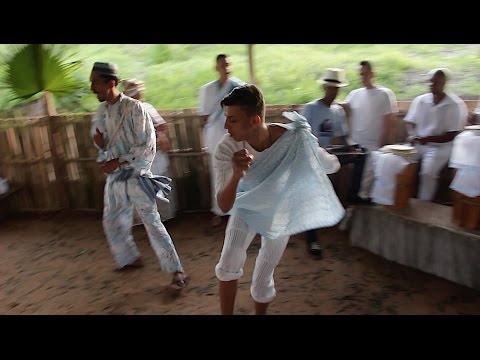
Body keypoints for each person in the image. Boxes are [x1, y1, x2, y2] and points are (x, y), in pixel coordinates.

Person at [213, 84, 345, 315]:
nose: (225, 126)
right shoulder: (226, 148)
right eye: (226, 118)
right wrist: (236, 175)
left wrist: (330, 158)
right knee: (229, 262)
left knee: (264, 274)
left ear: (254, 120)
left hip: (280, 210)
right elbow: (224, 206)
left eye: (232, 120)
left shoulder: (293, 139)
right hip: (246, 207)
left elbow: (328, 164)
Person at [89, 62, 187, 290]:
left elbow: (146, 147)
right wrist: (102, 148)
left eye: (95, 83)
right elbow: (102, 144)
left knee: (152, 223)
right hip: (114, 178)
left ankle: (176, 270)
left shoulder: (136, 109)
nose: (92, 88)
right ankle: (129, 258)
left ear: (110, 83)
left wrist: (118, 161)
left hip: (135, 175)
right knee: (112, 221)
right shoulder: (101, 112)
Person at [301, 68, 364, 256]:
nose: (333, 91)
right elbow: (301, 136)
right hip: (314, 155)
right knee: (314, 193)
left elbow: (343, 136)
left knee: (363, 154)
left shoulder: (337, 111)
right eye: (330, 88)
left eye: (336, 88)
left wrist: (352, 148)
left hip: (331, 153)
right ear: (324, 87)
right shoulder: (311, 108)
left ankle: (353, 195)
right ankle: (312, 239)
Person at [404, 68, 467, 201]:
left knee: (428, 173)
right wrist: (412, 135)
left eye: (436, 82)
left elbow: (451, 135)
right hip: (418, 142)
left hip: (441, 147)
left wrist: (427, 139)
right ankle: (400, 197)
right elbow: (410, 121)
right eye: (430, 82)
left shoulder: (454, 105)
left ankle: (423, 203)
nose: (432, 85)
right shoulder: (420, 100)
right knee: (398, 161)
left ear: (444, 83)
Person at [121, 78, 177, 223]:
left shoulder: (146, 107)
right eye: (134, 91)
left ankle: (163, 217)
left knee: (156, 181)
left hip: (154, 151)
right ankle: (147, 218)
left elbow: (161, 126)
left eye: (139, 90)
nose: (138, 93)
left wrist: (162, 139)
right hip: (137, 154)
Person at [343, 60, 399, 202]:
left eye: (365, 74)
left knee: (367, 171)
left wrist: (384, 144)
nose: (362, 77)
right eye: (360, 74)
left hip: (373, 145)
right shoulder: (354, 94)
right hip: (354, 143)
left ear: (373, 74)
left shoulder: (384, 94)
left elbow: (389, 122)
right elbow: (343, 110)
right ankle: (351, 200)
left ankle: (361, 200)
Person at [198, 54, 244, 226]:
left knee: (237, 172)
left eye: (228, 64)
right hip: (214, 136)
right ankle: (218, 210)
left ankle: (238, 211)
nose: (226, 67)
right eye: (222, 64)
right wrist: (203, 139)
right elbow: (203, 117)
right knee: (217, 174)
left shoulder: (239, 87)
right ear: (216, 67)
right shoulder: (208, 90)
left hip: (234, 136)